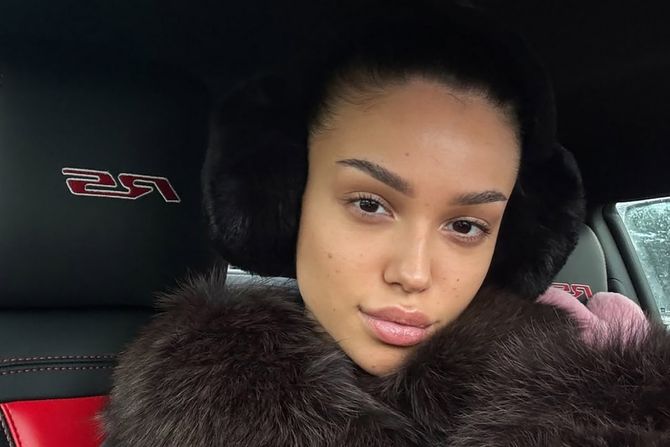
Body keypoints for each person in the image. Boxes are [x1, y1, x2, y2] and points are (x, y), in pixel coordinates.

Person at [102, 2, 669, 446]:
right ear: (285, 200)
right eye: (370, 205)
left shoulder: (598, 374)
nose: (413, 273)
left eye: (466, 226)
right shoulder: (191, 413)